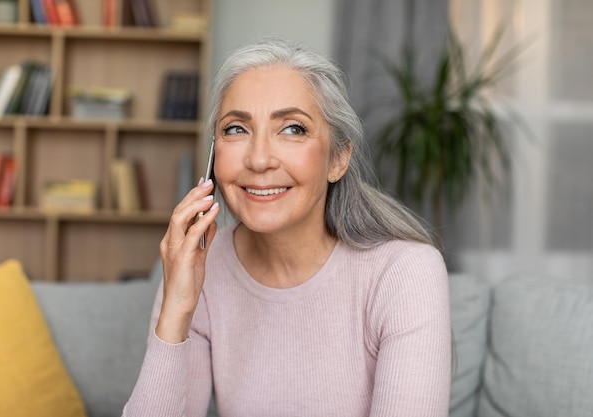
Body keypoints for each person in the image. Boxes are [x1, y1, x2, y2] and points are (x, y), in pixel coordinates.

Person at [123, 37, 451, 417]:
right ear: (214, 156)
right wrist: (176, 310)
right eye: (235, 129)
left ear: (338, 160)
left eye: (293, 129)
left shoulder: (405, 273)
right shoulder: (197, 270)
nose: (259, 159)